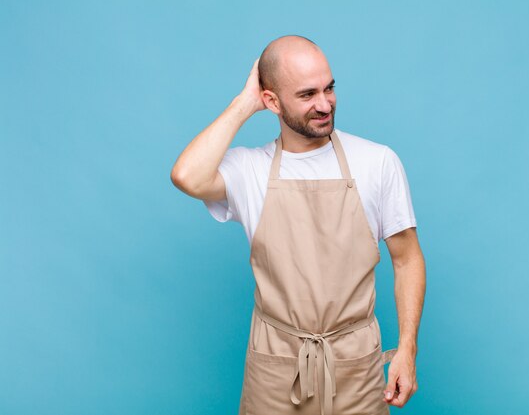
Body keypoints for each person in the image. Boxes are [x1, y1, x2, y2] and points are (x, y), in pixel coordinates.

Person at [170, 35, 426, 415]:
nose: (325, 104)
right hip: (275, 368)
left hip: (356, 366)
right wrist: (244, 103)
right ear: (271, 101)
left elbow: (407, 259)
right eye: (307, 94)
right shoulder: (249, 169)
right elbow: (187, 175)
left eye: (329, 88)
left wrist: (407, 349)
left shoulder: (378, 162)